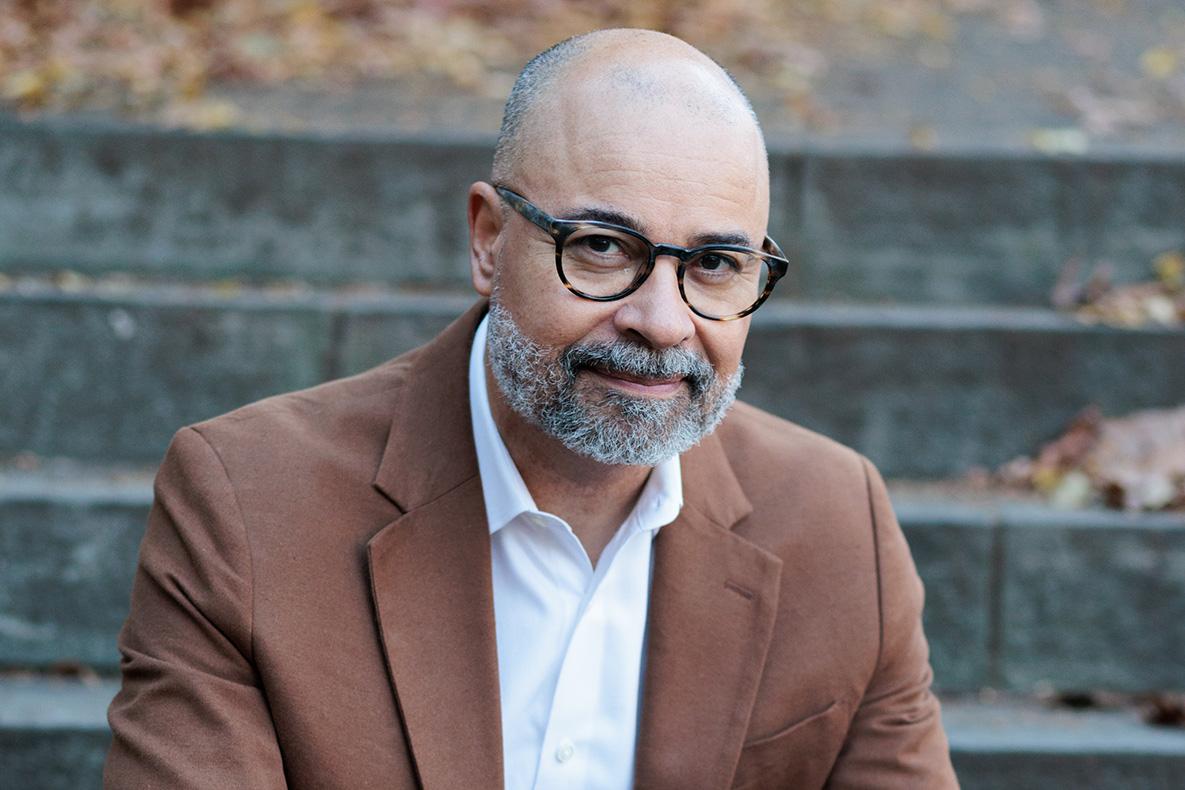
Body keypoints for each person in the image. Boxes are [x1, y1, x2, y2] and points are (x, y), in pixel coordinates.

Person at [104, 28, 957, 790]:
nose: (661, 322)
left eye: (714, 264)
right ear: (487, 239)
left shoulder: (839, 524)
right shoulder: (249, 502)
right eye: (600, 247)